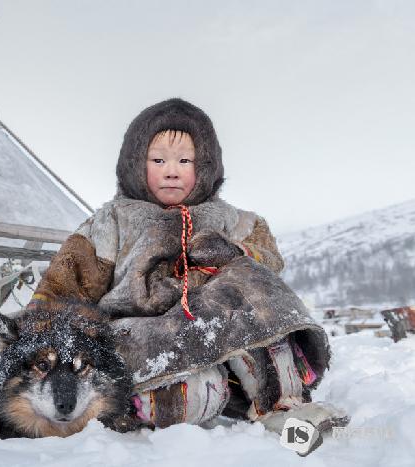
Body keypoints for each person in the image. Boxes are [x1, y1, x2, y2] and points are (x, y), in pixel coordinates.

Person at [28, 98, 348, 433]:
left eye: (185, 160)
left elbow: (270, 265)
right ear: (135, 164)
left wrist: (234, 252)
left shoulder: (236, 222)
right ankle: (136, 406)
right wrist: (26, 346)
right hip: (140, 337)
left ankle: (284, 405)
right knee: (200, 391)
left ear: (206, 166)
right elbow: (64, 284)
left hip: (218, 328)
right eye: (158, 160)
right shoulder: (110, 222)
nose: (172, 170)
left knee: (250, 287)